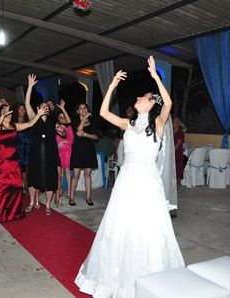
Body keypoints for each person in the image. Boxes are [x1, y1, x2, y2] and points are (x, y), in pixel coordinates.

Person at [75, 56, 185, 297]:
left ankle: (151, 282)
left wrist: (156, 77)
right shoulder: (128, 123)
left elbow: (167, 104)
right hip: (126, 182)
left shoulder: (158, 123)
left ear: (150, 103)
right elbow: (103, 111)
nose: (136, 99)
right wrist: (112, 84)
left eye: (141, 97)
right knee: (121, 227)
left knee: (147, 229)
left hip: (147, 183)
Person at [0, 103, 48, 222]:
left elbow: (30, 124)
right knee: (1, 190)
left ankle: (14, 213)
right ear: (1, 113)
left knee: (16, 188)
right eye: (6, 112)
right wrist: (2, 116)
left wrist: (38, 115)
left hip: (13, 163)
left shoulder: (14, 126)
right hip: (1, 164)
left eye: (10, 112)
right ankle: (0, 214)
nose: (9, 114)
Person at [24, 74, 71, 216]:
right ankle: (31, 202)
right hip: (36, 153)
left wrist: (62, 109)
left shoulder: (53, 122)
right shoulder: (34, 118)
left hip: (50, 154)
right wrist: (30, 87)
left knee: (50, 179)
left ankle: (49, 205)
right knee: (33, 178)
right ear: (38, 108)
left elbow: (68, 122)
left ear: (49, 110)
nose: (45, 107)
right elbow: (26, 104)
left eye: (47, 106)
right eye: (42, 105)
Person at [69, 103, 98, 206]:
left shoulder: (92, 121)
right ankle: (71, 197)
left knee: (87, 174)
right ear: (78, 111)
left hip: (89, 150)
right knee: (75, 174)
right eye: (80, 108)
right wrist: (84, 118)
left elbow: (95, 137)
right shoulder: (75, 121)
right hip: (78, 150)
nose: (83, 110)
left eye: (85, 108)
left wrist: (85, 134)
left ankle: (88, 198)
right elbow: (78, 132)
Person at [12, 103, 31, 193]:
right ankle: (17, 186)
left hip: (27, 147)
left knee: (26, 169)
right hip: (17, 147)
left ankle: (26, 186)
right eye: (20, 109)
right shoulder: (13, 122)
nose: (22, 111)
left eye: (23, 109)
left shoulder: (28, 121)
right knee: (17, 168)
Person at [56, 109, 73, 206]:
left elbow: (71, 141)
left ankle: (70, 191)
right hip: (58, 152)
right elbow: (54, 141)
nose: (62, 118)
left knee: (67, 171)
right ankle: (60, 189)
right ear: (58, 118)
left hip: (67, 152)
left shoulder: (69, 128)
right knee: (59, 173)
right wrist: (59, 144)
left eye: (64, 117)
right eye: (60, 117)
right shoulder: (56, 127)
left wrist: (64, 142)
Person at [173, 117, 185, 188]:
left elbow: (178, 143)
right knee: (173, 166)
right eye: (173, 122)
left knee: (178, 166)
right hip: (172, 151)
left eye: (175, 122)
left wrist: (173, 151)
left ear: (178, 124)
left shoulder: (180, 132)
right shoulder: (171, 131)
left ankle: (179, 182)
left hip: (178, 151)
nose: (173, 124)